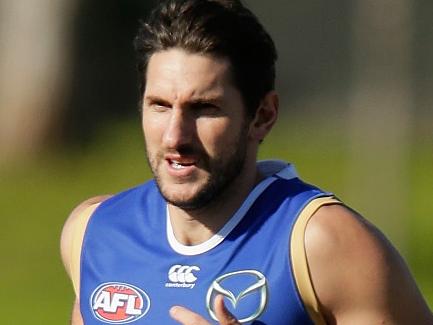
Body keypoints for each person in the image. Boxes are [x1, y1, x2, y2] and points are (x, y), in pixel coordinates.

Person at [60, 0, 433, 324]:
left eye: (204, 108)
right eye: (160, 105)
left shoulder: (323, 245)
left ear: (263, 115)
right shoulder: (94, 232)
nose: (175, 136)